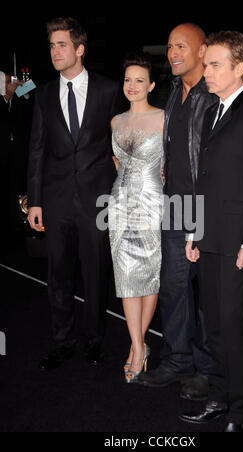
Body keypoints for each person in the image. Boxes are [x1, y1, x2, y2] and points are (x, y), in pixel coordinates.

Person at [179, 31, 243, 432]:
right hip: (208, 239)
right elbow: (203, 181)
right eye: (206, 65)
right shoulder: (210, 111)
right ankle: (219, 399)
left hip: (239, 242)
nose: (207, 72)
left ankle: (242, 414)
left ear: (239, 68)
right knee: (215, 326)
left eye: (215, 65)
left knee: (233, 328)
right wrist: (193, 232)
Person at [27, 17, 122, 370]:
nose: (55, 51)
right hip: (55, 198)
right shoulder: (44, 93)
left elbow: (119, 144)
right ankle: (62, 340)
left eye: (62, 44)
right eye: (51, 45)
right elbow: (36, 149)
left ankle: (94, 340)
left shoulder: (108, 90)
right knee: (59, 274)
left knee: (97, 272)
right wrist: (34, 200)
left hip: (98, 198)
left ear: (80, 49)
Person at [139, 23, 217, 401]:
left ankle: (207, 370)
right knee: (173, 285)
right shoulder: (174, 92)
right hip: (174, 206)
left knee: (207, 294)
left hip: (208, 208)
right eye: (169, 46)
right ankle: (176, 359)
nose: (172, 53)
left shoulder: (215, 94)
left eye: (181, 46)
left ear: (203, 51)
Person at [108, 52, 164, 383]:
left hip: (152, 204)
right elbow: (117, 165)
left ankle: (137, 348)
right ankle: (139, 346)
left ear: (151, 85)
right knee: (127, 278)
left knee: (148, 276)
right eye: (128, 80)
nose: (132, 86)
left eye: (139, 80)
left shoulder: (163, 117)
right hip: (118, 204)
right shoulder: (116, 121)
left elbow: (171, 166)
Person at [0, 71, 32, 254]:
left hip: (18, 152)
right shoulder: (4, 97)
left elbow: (31, 94)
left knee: (16, 188)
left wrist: (22, 85)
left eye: (8, 80)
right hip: (2, 152)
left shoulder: (19, 97)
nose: (8, 83)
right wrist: (7, 95)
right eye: (5, 81)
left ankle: (15, 224)